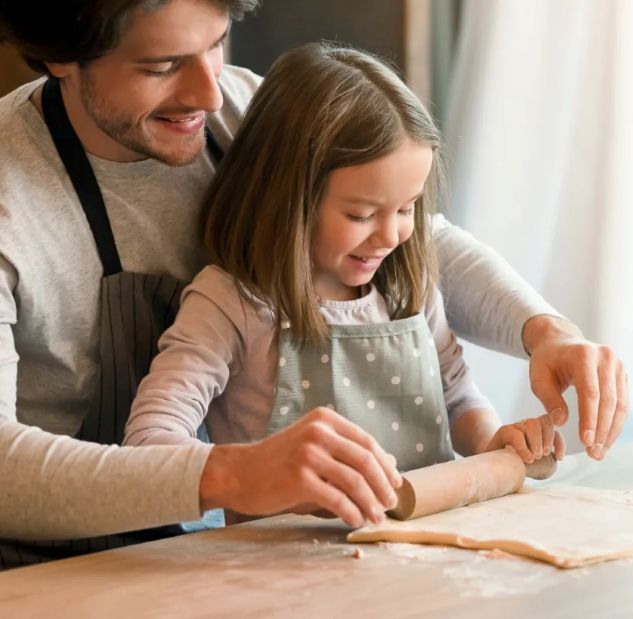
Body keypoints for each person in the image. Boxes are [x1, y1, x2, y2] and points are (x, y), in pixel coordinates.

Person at [0, 0, 627, 568]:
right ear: (60, 56)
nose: (210, 94)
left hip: (196, 548)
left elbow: (420, 243)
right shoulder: (13, 199)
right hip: (49, 569)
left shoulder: (241, 108)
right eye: (161, 66)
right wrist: (240, 475)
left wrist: (544, 330)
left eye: (215, 44)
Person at [124, 43, 565, 528]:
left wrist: (492, 443)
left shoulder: (409, 286)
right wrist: (253, 475)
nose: (391, 235)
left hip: (424, 553)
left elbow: (456, 397)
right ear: (286, 198)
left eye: (407, 208)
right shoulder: (231, 302)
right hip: (277, 566)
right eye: (361, 215)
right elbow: (150, 441)